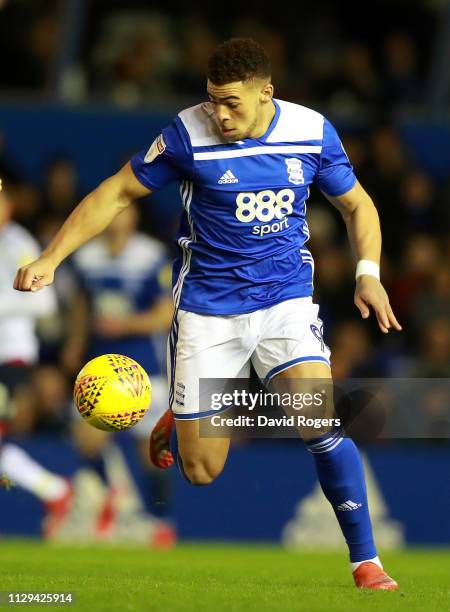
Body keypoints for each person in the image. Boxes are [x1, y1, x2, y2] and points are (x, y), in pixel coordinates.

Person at [14, 38, 402, 589]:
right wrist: (52, 256)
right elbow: (118, 193)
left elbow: (356, 204)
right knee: (201, 470)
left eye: (232, 104)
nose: (219, 114)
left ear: (266, 93)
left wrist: (368, 274)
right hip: (207, 309)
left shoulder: (311, 131)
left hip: (284, 300)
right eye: (212, 100)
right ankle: (191, 409)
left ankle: (367, 563)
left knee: (318, 418)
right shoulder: (185, 133)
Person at [0, 179, 72, 538]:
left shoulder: (18, 244)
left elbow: (43, 301)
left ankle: (56, 492)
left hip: (9, 359)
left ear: (9, 208)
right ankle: (56, 492)